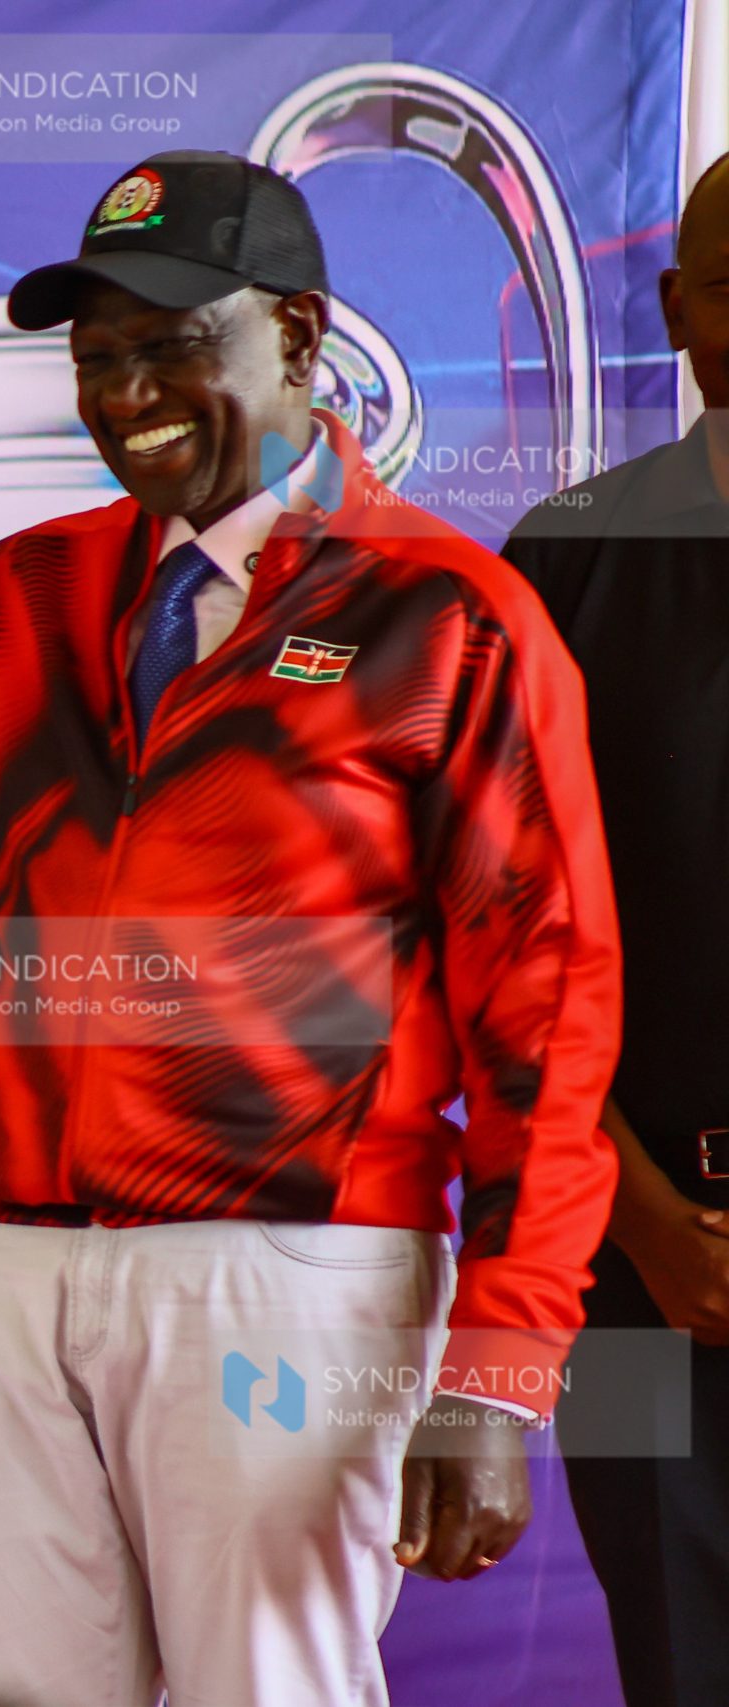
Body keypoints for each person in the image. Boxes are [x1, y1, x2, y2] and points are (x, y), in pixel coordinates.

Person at [0, 150, 619, 1707]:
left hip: (291, 1262)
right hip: (3, 1270)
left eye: (173, 344)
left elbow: (547, 1026)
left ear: (298, 337)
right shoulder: (24, 597)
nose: (128, 391)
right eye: (98, 357)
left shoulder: (447, 616)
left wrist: (499, 1368)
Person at [497, 149, 729, 1707]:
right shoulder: (567, 559)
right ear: (674, 310)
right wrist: (639, 1214)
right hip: (641, 1272)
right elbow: (502, 953)